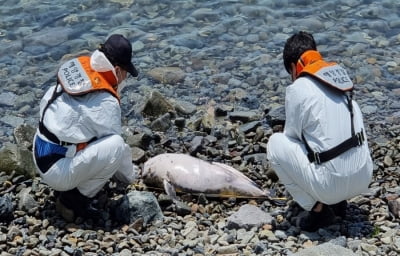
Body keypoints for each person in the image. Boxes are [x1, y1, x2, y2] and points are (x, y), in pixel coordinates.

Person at [266, 31, 373, 232]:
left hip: (330, 185)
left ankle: (318, 209)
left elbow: (292, 138)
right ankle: (338, 202)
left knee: (275, 144)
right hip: (363, 178)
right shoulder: (340, 80)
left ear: (293, 67)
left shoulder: (298, 87)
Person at [32, 34, 140, 221]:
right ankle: (72, 202)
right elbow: (118, 151)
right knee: (115, 145)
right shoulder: (106, 101)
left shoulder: (80, 70)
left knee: (85, 137)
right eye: (126, 73)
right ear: (116, 70)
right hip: (56, 172)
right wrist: (131, 177)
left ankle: (69, 177)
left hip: (38, 150)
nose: (125, 78)